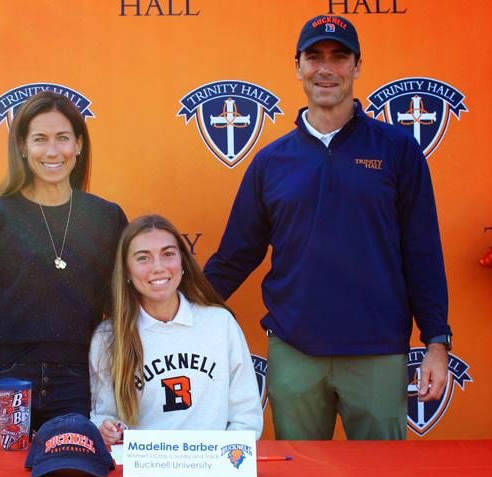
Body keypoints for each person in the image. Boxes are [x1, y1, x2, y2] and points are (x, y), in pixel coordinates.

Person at [204, 15, 451, 440]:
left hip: (377, 351)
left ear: (357, 66)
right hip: (295, 351)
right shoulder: (270, 162)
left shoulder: (397, 150)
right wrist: (174, 312)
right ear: (298, 66)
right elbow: (235, 256)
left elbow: (422, 251)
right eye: (314, 56)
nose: (326, 68)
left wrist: (437, 342)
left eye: (339, 57)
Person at [0, 91, 127, 440]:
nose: (52, 151)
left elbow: (124, 310)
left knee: (75, 470)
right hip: (8, 382)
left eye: (63, 138)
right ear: (23, 147)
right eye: (40, 139)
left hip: (81, 381)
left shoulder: (106, 217)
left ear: (78, 145)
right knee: (4, 474)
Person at [89, 214, 263, 445]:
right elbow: (104, 415)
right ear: (127, 271)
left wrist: (225, 457)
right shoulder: (108, 337)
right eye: (143, 258)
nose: (158, 267)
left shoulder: (220, 323)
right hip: (145, 462)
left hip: (213, 462)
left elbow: (246, 415)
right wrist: (107, 429)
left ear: (183, 263)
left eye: (168, 254)